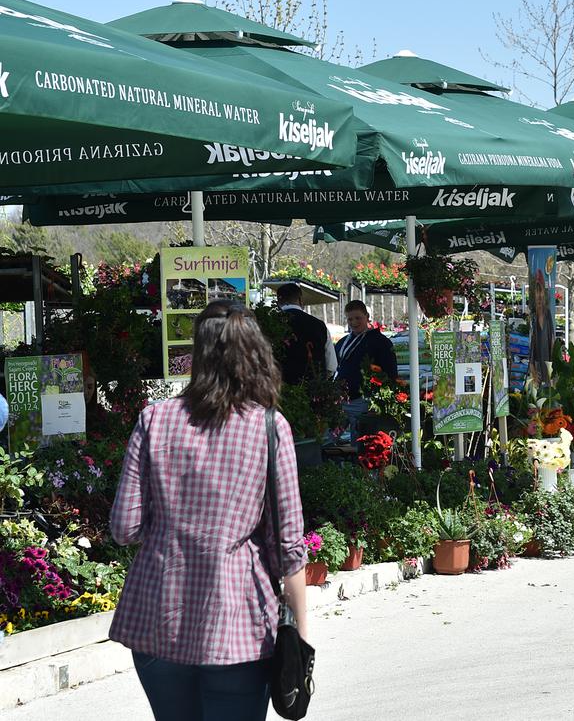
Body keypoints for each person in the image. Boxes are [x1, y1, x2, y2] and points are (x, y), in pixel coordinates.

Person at [109, 300, 307, 720]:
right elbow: (288, 547)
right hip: (237, 622)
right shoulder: (270, 427)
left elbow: (124, 527)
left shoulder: (153, 420)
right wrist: (300, 639)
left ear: (197, 354)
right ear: (257, 354)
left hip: (158, 616)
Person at [336, 300, 399, 434]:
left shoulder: (381, 342)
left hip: (364, 402)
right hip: (342, 401)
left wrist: (377, 403)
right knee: (329, 441)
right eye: (350, 319)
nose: (354, 322)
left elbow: (391, 373)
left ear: (367, 316)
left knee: (360, 444)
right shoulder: (342, 342)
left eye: (358, 318)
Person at [275, 282, 337, 385]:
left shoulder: (270, 323)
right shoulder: (320, 326)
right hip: (312, 391)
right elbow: (331, 366)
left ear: (278, 302)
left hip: (279, 390)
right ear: (300, 300)